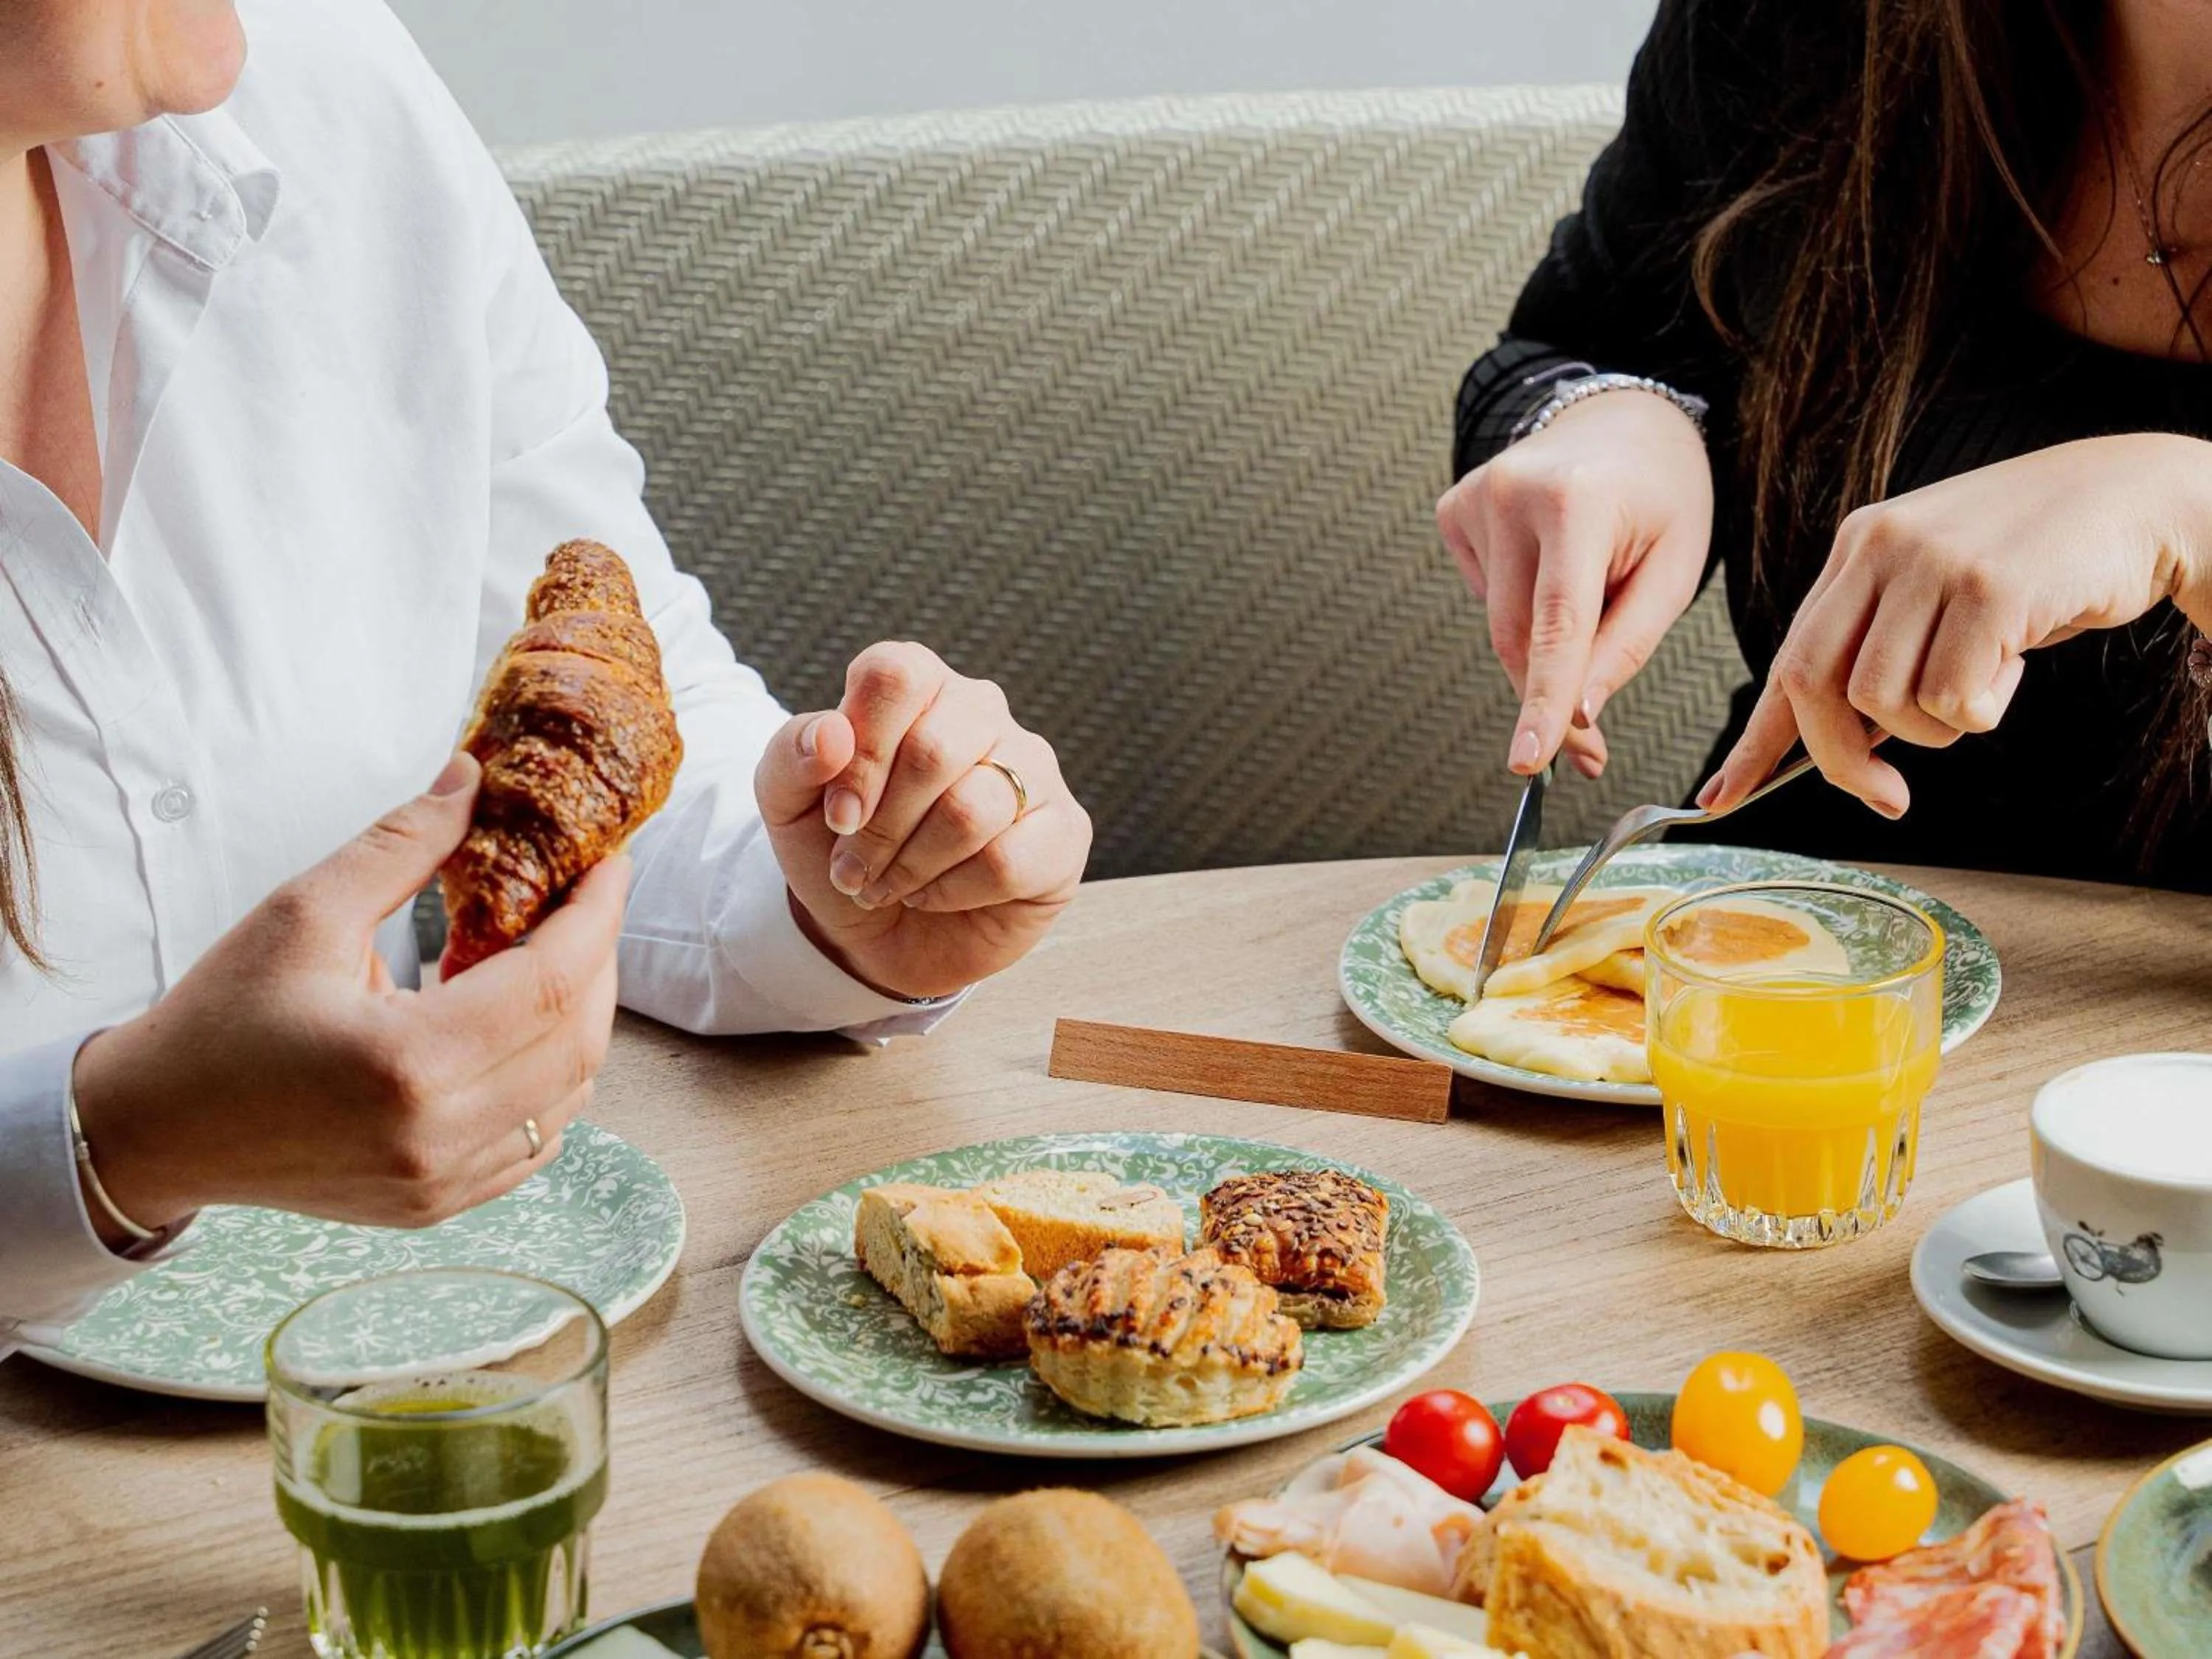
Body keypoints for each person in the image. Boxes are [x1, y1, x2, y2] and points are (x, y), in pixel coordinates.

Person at [0, 0, 1092, 1345]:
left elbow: (605, 731)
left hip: (421, 1372)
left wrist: (835, 895)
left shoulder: (329, 93)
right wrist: (108, 1149)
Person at [1438, 0, 2212, 884]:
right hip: (1759, 952)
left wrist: (2189, 508)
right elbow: (1573, 343)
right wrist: (1622, 416)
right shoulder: (1805, 25)